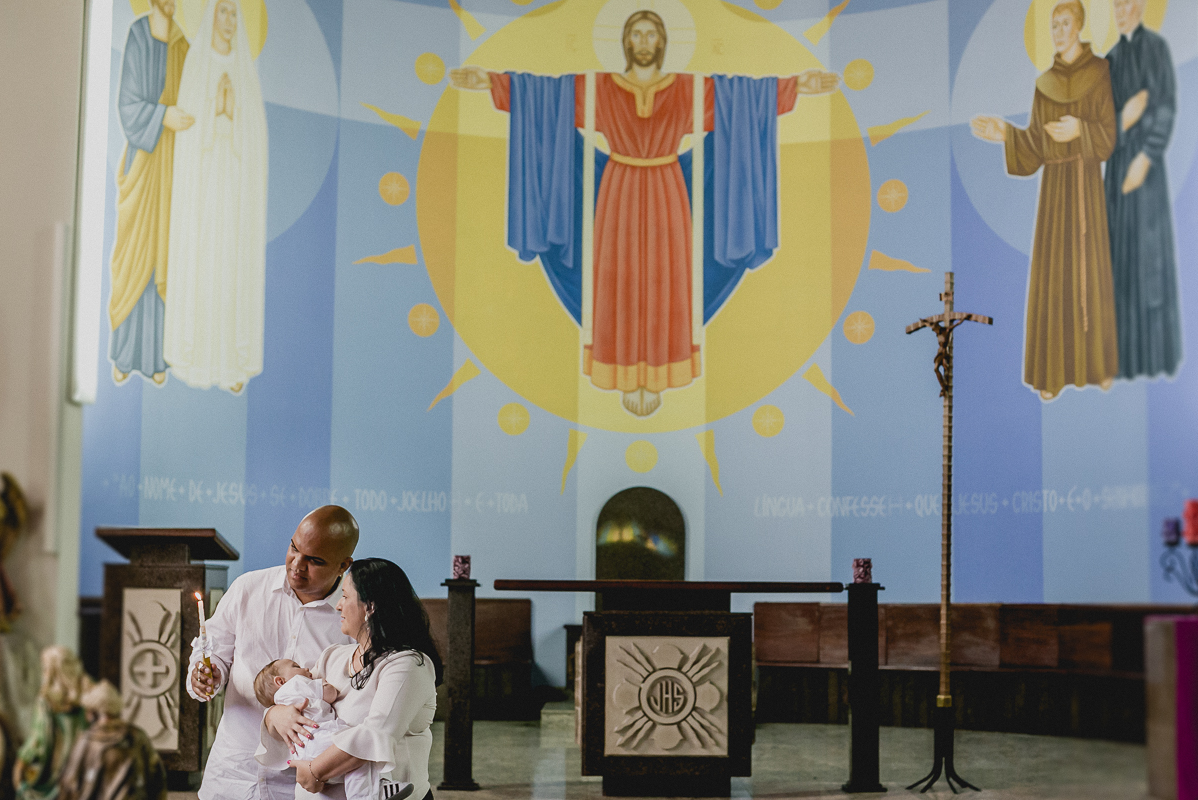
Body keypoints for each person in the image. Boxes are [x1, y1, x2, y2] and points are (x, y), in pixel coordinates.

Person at [450, 11, 837, 417]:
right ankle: (619, 369)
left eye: (652, 33)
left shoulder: (687, 89)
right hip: (617, 192)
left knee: (666, 275)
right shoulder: (601, 88)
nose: (644, 40)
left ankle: (660, 370)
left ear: (662, 41)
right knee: (617, 275)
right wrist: (492, 83)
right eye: (636, 33)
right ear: (627, 42)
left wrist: (796, 87)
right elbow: (548, 96)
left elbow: (738, 100)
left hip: (668, 190)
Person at [971, 0, 1118, 400]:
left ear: (1080, 26)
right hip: (1055, 194)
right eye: (1052, 25)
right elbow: (1036, 145)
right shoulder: (1043, 83)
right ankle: (1053, 374)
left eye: (1063, 23)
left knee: (1091, 270)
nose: (1057, 31)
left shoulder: (1101, 72)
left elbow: (1109, 134)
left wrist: (1081, 130)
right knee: (1056, 277)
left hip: (1085, 184)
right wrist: (1007, 134)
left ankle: (1099, 365)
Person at [187, 506, 358, 800]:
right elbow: (211, 647)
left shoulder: (351, 617)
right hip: (234, 767)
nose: (297, 564)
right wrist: (206, 673)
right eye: (294, 548)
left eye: (314, 560)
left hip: (304, 778)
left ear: (343, 565)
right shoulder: (249, 588)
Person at [259, 559, 442, 800]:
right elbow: (295, 697)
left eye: (345, 596)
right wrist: (274, 715)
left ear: (370, 607)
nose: (337, 606)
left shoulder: (407, 665)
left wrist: (314, 771)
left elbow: (374, 735)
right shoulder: (332, 656)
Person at [164, 0, 269, 393]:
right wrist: (215, 110)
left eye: (234, 14)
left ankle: (231, 361)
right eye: (223, 11)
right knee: (203, 266)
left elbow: (256, 141)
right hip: (203, 191)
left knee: (231, 269)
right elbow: (188, 133)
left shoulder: (244, 69)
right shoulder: (198, 65)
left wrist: (233, 116)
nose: (228, 20)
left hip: (235, 192)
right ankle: (196, 357)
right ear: (211, 16)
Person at [108, 0, 193, 386]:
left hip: (173, 166)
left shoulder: (183, 46)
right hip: (144, 164)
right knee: (134, 254)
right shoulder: (138, 36)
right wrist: (163, 117)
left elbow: (194, 101)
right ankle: (125, 355)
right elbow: (128, 107)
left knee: (165, 254)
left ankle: (159, 357)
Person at [1105, 0, 1182, 380]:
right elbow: (1100, 125)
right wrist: (1123, 122)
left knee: (1149, 263)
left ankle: (1157, 361)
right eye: (1115, 5)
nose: (1122, 10)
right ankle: (1125, 364)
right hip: (1117, 171)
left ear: (1140, 6)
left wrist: (1146, 157)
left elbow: (1166, 106)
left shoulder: (1156, 48)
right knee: (1120, 264)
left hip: (1146, 174)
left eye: (1127, 3)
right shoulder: (1109, 60)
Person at [253, 659, 390, 800]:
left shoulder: (280, 703)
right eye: (296, 666)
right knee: (357, 747)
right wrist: (324, 683)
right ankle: (366, 795)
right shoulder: (296, 684)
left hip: (303, 754)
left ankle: (364, 793)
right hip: (317, 738)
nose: (306, 669)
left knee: (349, 768)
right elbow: (330, 694)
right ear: (280, 681)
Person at [56, 681, 168, 800]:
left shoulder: (86, 741)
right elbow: (157, 779)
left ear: (92, 712)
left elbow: (69, 785)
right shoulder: (137, 737)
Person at [13, 646, 92, 800]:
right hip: (81, 771)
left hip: (54, 773)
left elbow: (38, 740)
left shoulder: (46, 700)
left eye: (45, 668)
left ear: (53, 671)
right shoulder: (86, 696)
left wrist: (21, 761)